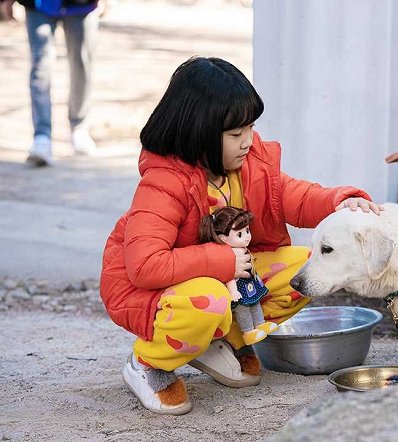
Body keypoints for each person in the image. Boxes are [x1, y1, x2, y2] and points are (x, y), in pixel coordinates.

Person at [99, 56, 383, 415]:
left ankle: (222, 343)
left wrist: (339, 201)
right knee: (211, 299)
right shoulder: (164, 183)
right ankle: (148, 363)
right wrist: (223, 262)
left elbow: (292, 195)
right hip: (152, 290)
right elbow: (144, 265)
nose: (248, 140)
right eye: (236, 134)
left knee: (309, 268)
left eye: (249, 128)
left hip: (222, 278)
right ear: (198, 132)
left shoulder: (246, 164)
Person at [0, 0, 102, 167]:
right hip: (39, 5)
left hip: (82, 5)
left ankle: (79, 128)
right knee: (40, 67)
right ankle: (42, 137)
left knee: (82, 64)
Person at [198, 206, 279, 345]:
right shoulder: (227, 254)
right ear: (223, 238)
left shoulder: (241, 248)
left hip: (250, 283)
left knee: (255, 303)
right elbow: (229, 272)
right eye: (240, 234)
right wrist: (233, 291)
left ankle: (260, 324)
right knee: (243, 309)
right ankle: (248, 332)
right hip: (239, 287)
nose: (247, 236)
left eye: (247, 231)